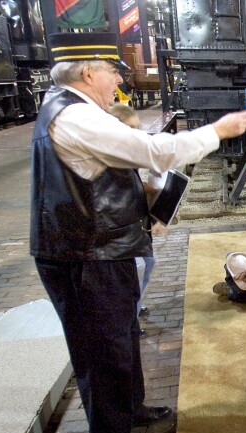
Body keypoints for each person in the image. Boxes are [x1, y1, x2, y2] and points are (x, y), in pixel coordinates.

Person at [29, 31, 246, 433]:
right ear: (88, 71)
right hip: (85, 256)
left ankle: (129, 409)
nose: (118, 77)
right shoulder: (76, 117)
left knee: (121, 338)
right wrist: (217, 130)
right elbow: (153, 152)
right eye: (112, 69)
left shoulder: (71, 110)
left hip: (98, 251)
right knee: (103, 352)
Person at [108, 103, 161, 323]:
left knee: (147, 262)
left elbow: (132, 184)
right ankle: (128, 315)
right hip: (120, 231)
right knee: (138, 266)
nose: (138, 132)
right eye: (132, 127)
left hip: (133, 226)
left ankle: (134, 306)